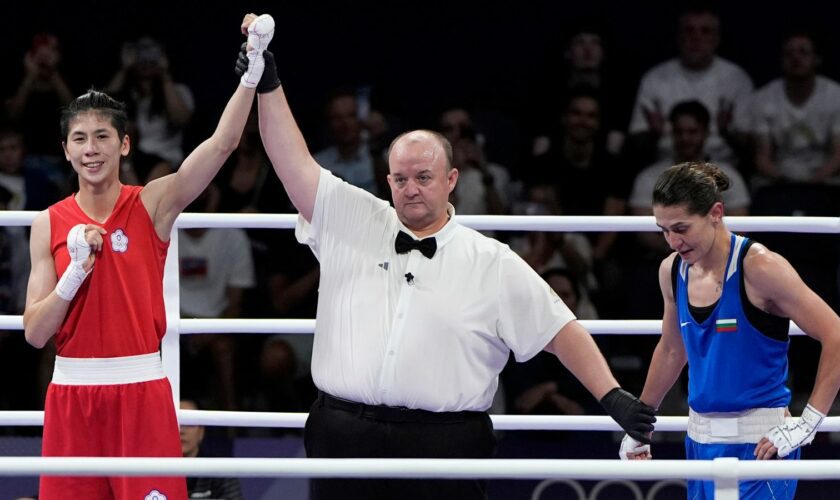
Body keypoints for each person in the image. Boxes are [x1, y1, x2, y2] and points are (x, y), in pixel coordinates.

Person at [244, 16, 655, 500]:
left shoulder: (490, 260)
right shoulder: (353, 217)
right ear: (388, 180)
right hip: (342, 431)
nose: (411, 188)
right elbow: (290, 158)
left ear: (452, 179)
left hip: (445, 442)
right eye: (401, 178)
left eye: (423, 176)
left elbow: (560, 330)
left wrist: (614, 398)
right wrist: (266, 82)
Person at [22, 13, 275, 499]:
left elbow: (221, 146)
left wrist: (252, 75)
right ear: (65, 150)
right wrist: (75, 273)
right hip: (72, 395)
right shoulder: (46, 223)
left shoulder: (152, 203)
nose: (91, 149)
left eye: (102, 137)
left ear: (124, 143)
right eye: (80, 138)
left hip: (141, 391)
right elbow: (35, 333)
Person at [619, 162, 840, 499]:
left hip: (761, 446)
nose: (672, 241)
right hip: (699, 442)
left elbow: (836, 333)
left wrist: (809, 423)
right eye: (663, 230)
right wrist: (640, 423)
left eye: (681, 228)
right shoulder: (672, 271)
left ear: (716, 213)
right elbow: (672, 350)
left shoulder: (761, 268)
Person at [181, 399, 244, 500]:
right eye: (175, 423)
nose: (181, 430)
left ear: (201, 432)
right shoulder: (153, 469)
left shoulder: (221, 471)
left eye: (189, 423)